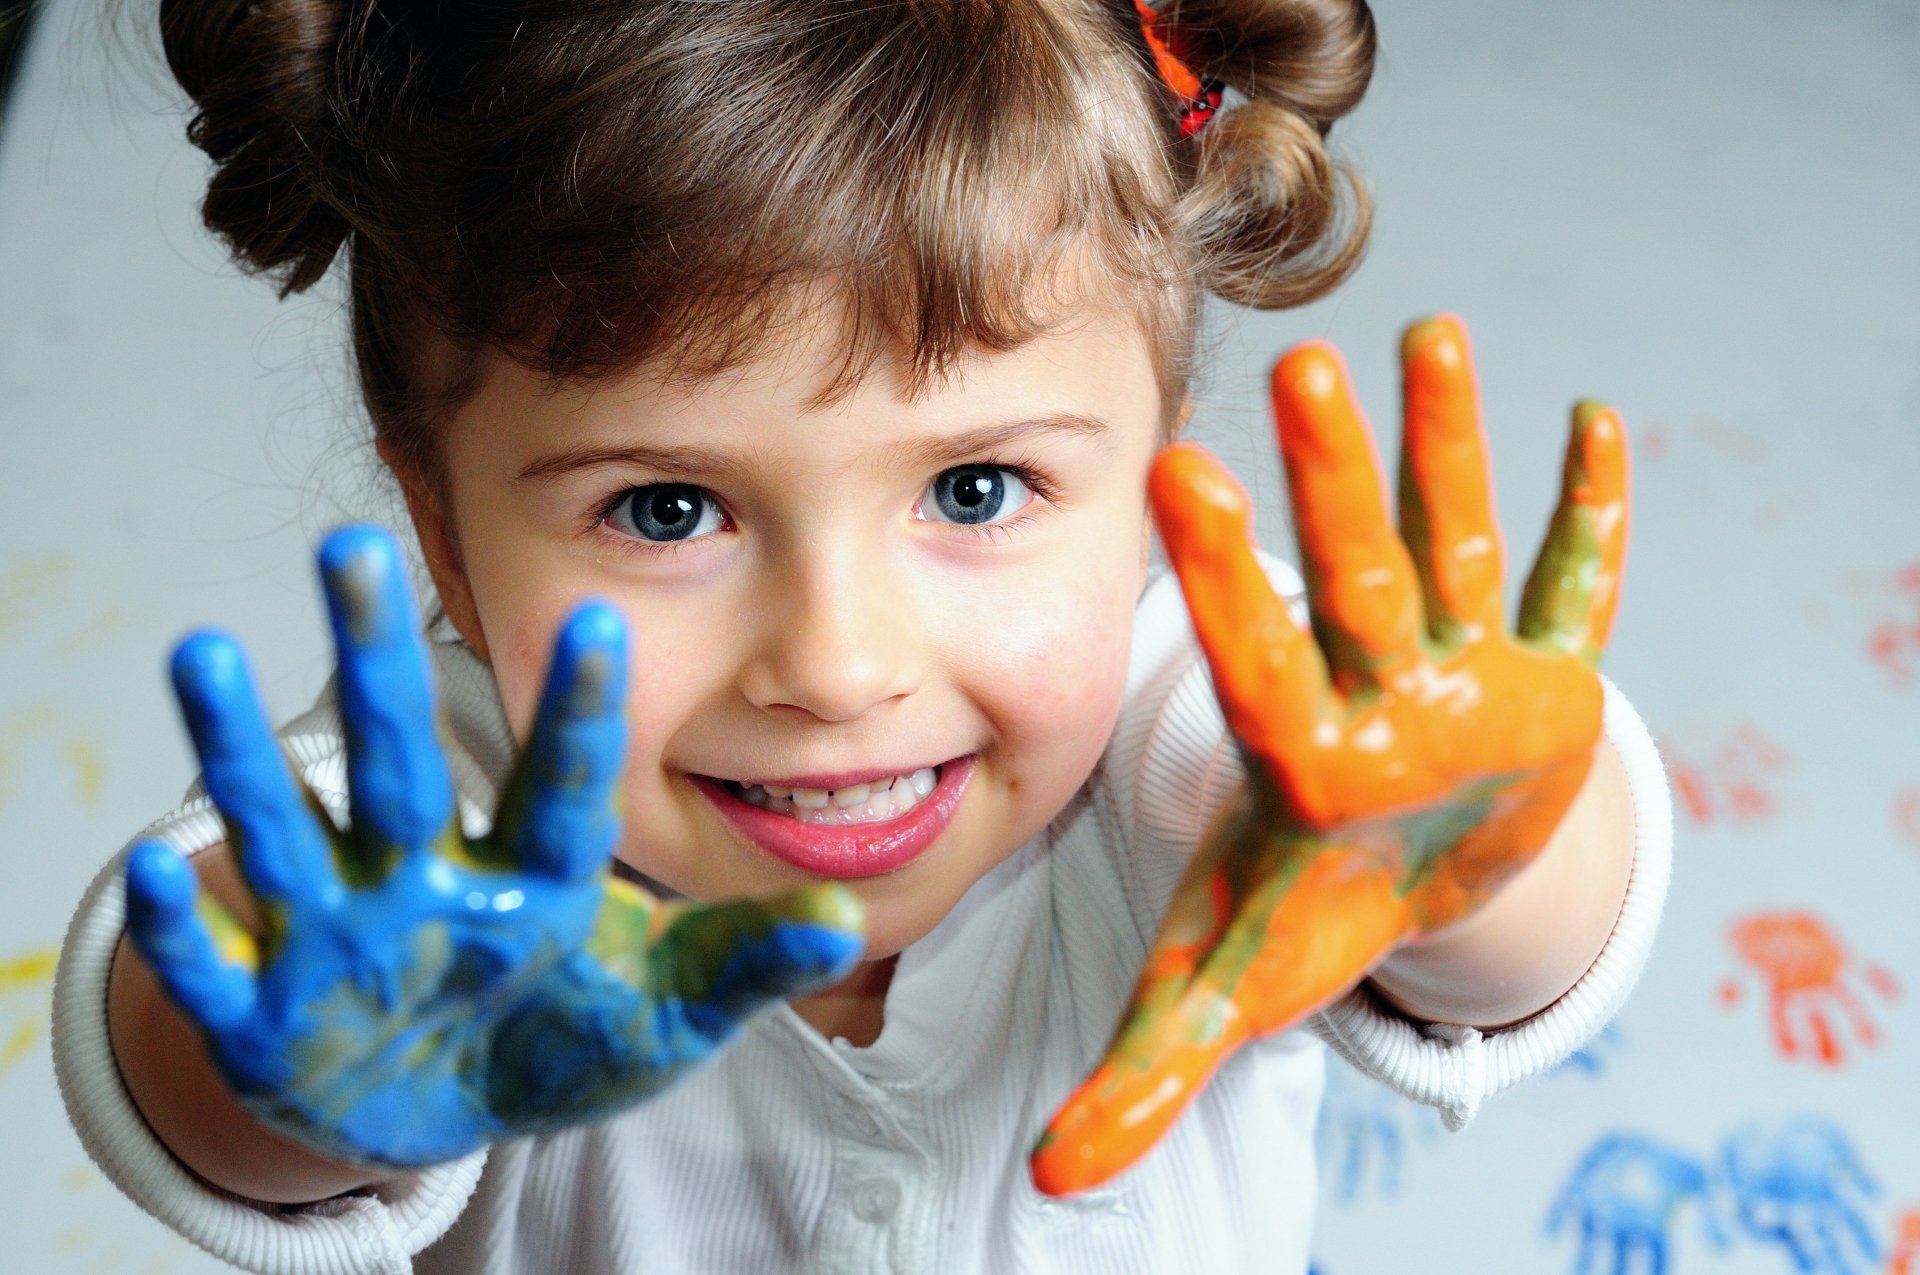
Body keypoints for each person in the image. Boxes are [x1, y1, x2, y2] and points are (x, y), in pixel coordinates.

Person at [51, 0, 1672, 1270]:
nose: (835, 667)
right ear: (443, 534)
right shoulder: (448, 845)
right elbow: (188, 1008)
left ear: (1155, 465)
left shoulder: (1223, 734)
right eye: (666, 510)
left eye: (976, 489)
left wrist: (1486, 856)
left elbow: (1520, 937)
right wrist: (302, 1073)